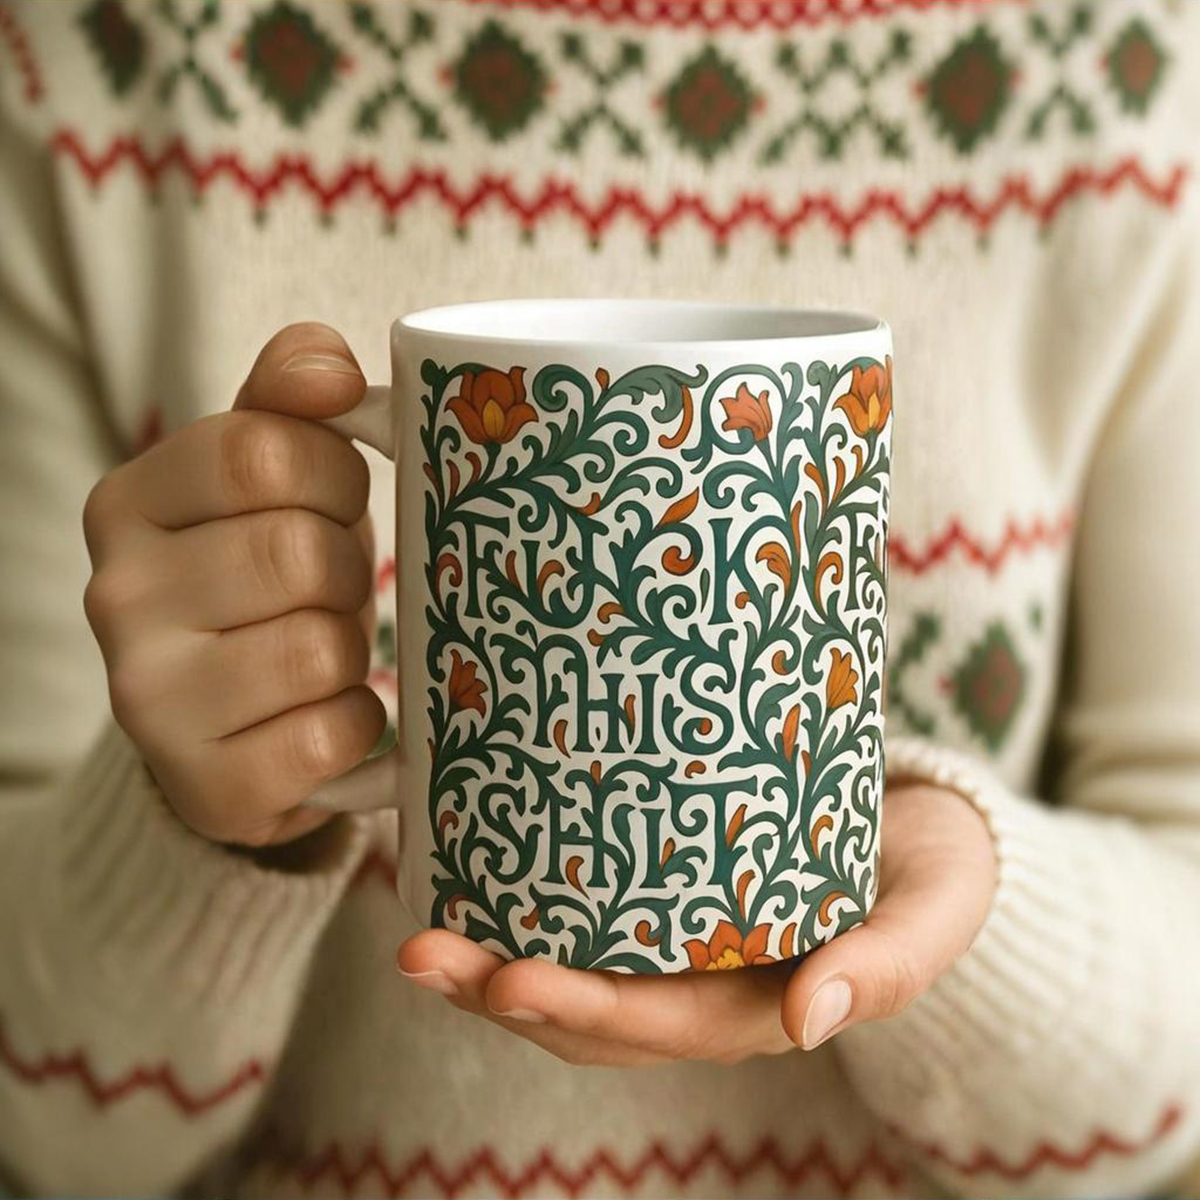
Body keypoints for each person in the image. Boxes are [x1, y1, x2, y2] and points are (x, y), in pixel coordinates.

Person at [1, 1, 1198, 1197]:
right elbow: (48, 1136)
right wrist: (194, 819)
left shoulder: (1132, 76)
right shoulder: (89, 61)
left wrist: (964, 925)